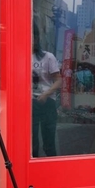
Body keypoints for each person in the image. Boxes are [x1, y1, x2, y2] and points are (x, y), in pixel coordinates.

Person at [31, 23, 62, 157]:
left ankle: (51, 166)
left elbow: (59, 80)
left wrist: (46, 94)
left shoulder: (48, 57)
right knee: (31, 143)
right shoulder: (20, 57)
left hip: (47, 102)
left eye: (32, 37)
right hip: (29, 104)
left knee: (49, 142)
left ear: (37, 38)